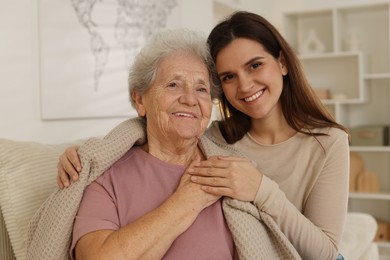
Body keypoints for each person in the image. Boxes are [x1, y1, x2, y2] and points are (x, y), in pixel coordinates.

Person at [56, 11, 350, 260]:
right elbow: (158, 131)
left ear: (282, 63)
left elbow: (326, 252)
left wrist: (261, 188)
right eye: (228, 77)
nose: (245, 85)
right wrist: (86, 152)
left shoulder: (327, 142)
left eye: (255, 65)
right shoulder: (217, 138)